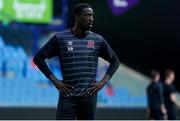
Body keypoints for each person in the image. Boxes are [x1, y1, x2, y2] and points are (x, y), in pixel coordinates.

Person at [33, 3, 120, 120]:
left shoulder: (98, 40)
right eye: (87, 15)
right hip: (67, 97)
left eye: (92, 16)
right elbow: (38, 58)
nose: (91, 19)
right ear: (77, 17)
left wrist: (102, 82)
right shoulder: (60, 38)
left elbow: (115, 61)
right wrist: (54, 80)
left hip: (89, 98)